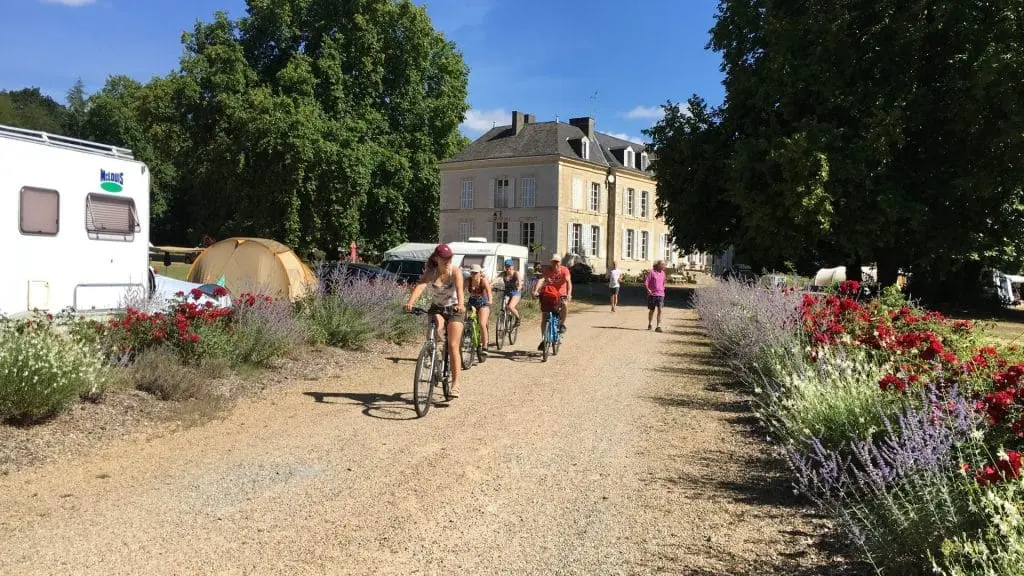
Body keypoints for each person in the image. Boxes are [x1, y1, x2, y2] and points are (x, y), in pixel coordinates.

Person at [404, 244, 466, 397]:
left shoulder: (455, 272)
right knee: (435, 329)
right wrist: (410, 302)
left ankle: (456, 384)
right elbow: (420, 286)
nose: (447, 260)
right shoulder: (431, 273)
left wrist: (461, 304)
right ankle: (432, 353)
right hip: (437, 308)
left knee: (453, 345)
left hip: (454, 310)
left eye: (449, 257)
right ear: (437, 258)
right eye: (444, 258)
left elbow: (460, 290)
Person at [532, 254, 572, 351]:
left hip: (561, 295)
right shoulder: (548, 270)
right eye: (553, 262)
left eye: (557, 262)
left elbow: (568, 282)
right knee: (544, 317)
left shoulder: (564, 270)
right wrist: (536, 291)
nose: (555, 264)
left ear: (560, 262)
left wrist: (569, 294)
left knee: (565, 305)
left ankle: (562, 324)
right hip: (550, 294)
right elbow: (541, 280)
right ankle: (544, 339)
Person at [467, 263, 493, 359]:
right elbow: (460, 289)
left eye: (476, 273)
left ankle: (485, 346)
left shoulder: (483, 281)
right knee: (467, 320)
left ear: (480, 273)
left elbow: (489, 292)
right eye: (472, 273)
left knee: (482, 324)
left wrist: (490, 301)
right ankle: (467, 338)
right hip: (472, 302)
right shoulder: (468, 280)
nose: (474, 274)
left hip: (483, 302)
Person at [645, 260, 667, 332]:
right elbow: (646, 282)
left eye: (664, 265)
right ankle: (650, 323)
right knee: (652, 310)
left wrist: (663, 288)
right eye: (662, 265)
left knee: (660, 310)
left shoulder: (663, 273)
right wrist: (648, 290)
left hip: (661, 294)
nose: (664, 266)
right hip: (653, 295)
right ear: (658, 265)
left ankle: (658, 326)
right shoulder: (651, 272)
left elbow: (664, 282)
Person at [501, 258, 522, 325]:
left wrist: (519, 286)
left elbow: (519, 281)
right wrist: (490, 285)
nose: (508, 268)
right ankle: (506, 318)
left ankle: (518, 318)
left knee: (510, 307)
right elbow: (496, 279)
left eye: (509, 266)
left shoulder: (516, 273)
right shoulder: (504, 273)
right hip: (507, 293)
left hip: (515, 293)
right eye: (506, 266)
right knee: (504, 307)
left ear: (512, 266)